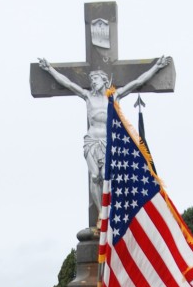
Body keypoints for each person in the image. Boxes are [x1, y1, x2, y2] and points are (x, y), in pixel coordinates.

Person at [37, 56, 171, 218]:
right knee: (95, 177)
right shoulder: (87, 96)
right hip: (92, 142)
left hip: (108, 143)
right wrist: (49, 69)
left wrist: (156, 67)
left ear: (104, 80)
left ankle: (110, 211)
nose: (93, 82)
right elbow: (68, 83)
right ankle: (101, 213)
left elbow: (137, 82)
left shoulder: (114, 97)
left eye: (96, 79)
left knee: (107, 178)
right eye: (91, 79)